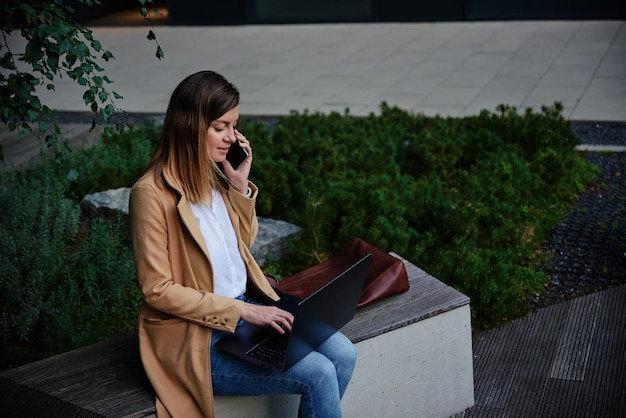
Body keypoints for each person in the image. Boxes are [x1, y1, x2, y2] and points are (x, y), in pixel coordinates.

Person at [129, 70, 357, 418]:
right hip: (197, 337)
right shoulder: (150, 194)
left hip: (245, 312)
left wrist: (238, 188)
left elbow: (242, 247)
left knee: (343, 353)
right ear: (190, 124)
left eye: (234, 126)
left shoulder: (215, 175)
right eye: (220, 127)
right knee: (319, 374)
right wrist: (246, 311)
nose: (231, 138)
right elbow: (157, 289)